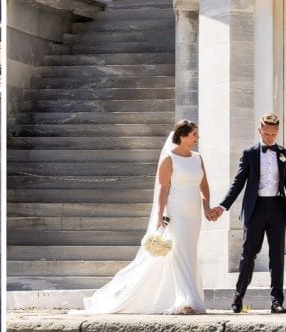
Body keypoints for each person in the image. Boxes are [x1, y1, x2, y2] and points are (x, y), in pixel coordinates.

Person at [80, 120, 214, 315]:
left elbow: (204, 186)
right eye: (194, 134)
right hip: (176, 213)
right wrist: (160, 215)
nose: (197, 138)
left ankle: (187, 297)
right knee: (180, 253)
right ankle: (185, 301)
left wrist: (207, 207)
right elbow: (163, 188)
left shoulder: (197, 158)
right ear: (183, 136)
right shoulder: (169, 159)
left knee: (190, 253)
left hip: (194, 214)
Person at [211, 113, 286, 314]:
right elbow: (238, 183)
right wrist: (222, 206)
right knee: (248, 256)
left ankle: (276, 301)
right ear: (260, 130)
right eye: (267, 133)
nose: (270, 137)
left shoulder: (285, 154)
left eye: (274, 134)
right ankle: (238, 296)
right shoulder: (250, 154)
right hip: (255, 209)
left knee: (277, 256)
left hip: (278, 208)